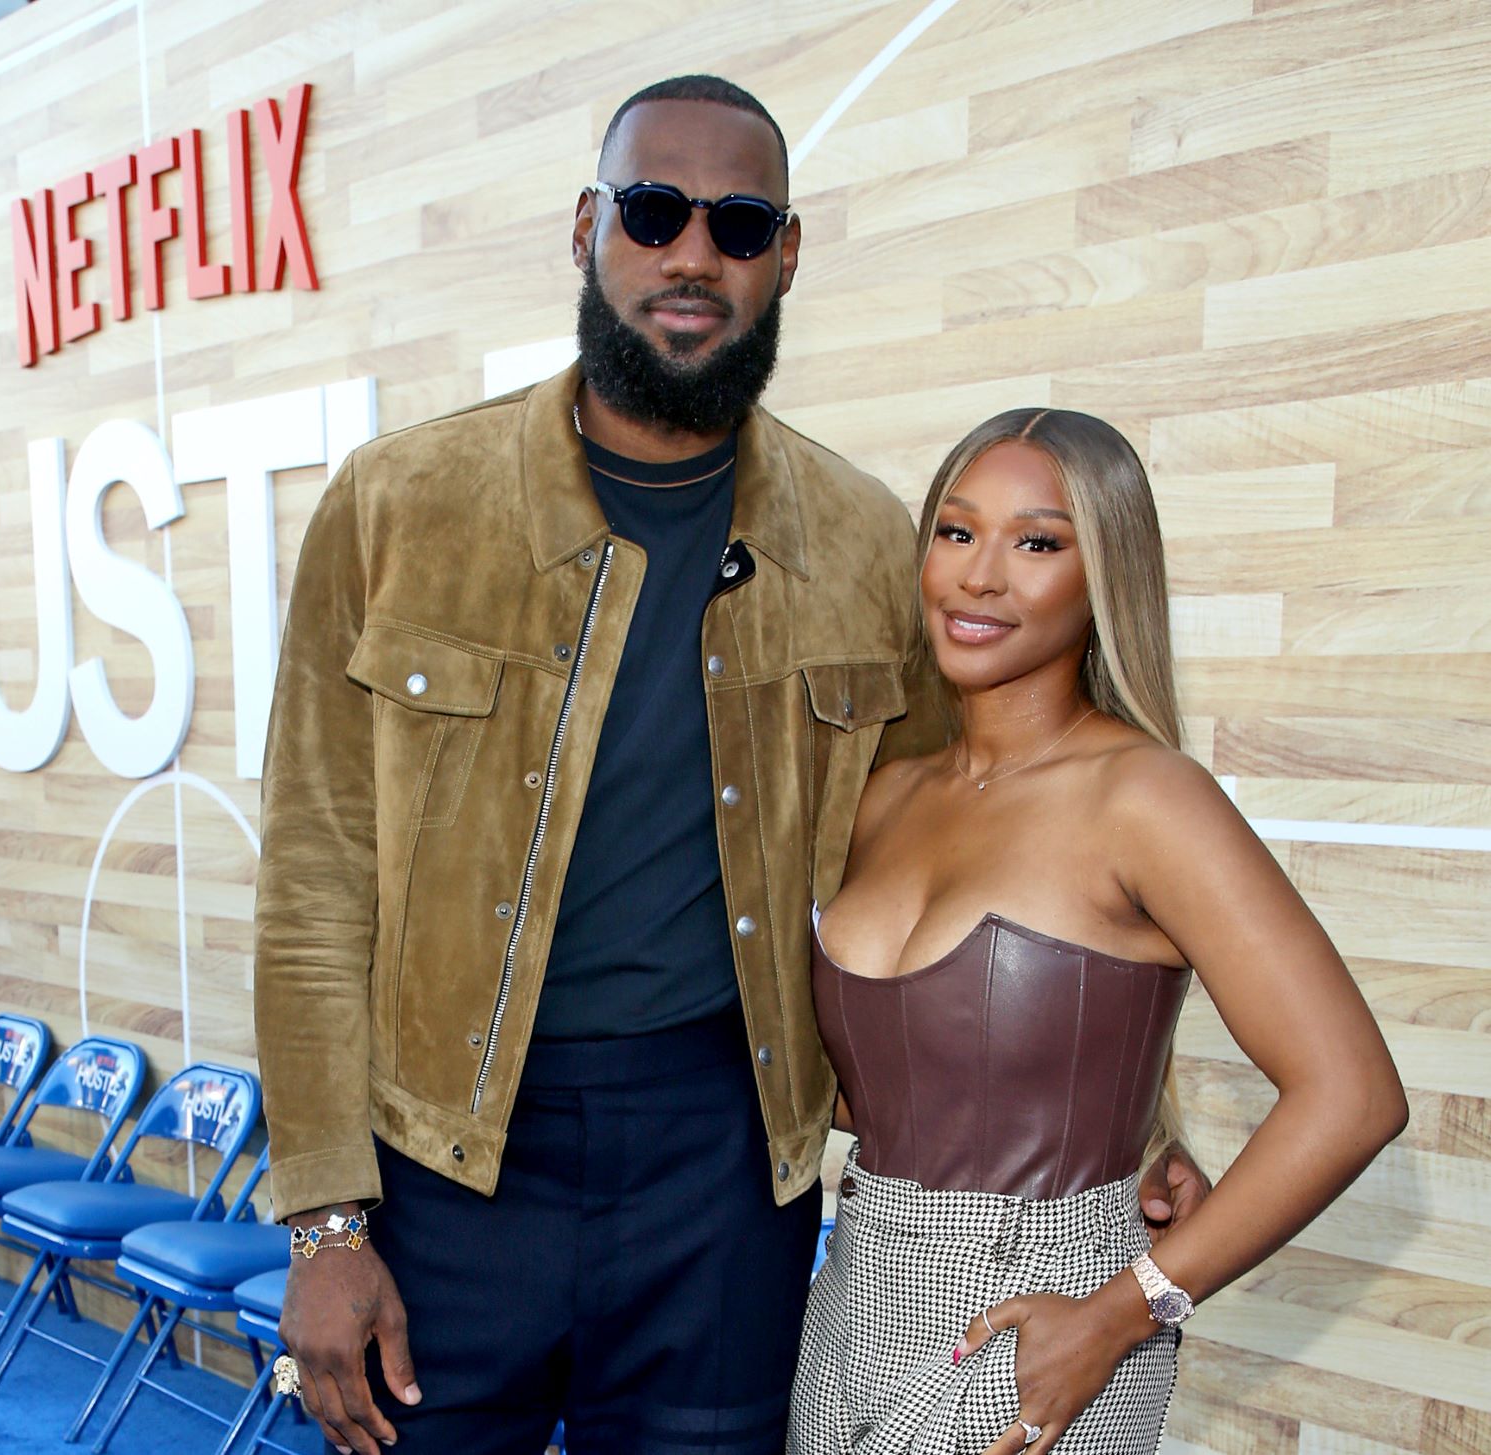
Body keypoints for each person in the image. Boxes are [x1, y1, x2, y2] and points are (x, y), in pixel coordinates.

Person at [254, 77, 1203, 1455]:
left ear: (788, 257)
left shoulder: (872, 544)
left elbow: (1002, 850)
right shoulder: (398, 507)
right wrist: (327, 1223)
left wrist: (1131, 1124)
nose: (693, 255)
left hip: (725, 1167)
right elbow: (314, 877)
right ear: (588, 229)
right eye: (654, 213)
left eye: (740, 225)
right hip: (445, 1162)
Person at [786, 409, 1408, 1455]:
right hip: (848, 1296)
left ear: (1102, 574)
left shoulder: (1147, 798)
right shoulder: (882, 792)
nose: (980, 577)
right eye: (954, 531)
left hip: (1043, 1317)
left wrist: (1132, 1309)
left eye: (1037, 542)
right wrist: (1140, 1131)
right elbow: (892, 1074)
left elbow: (1353, 1097)